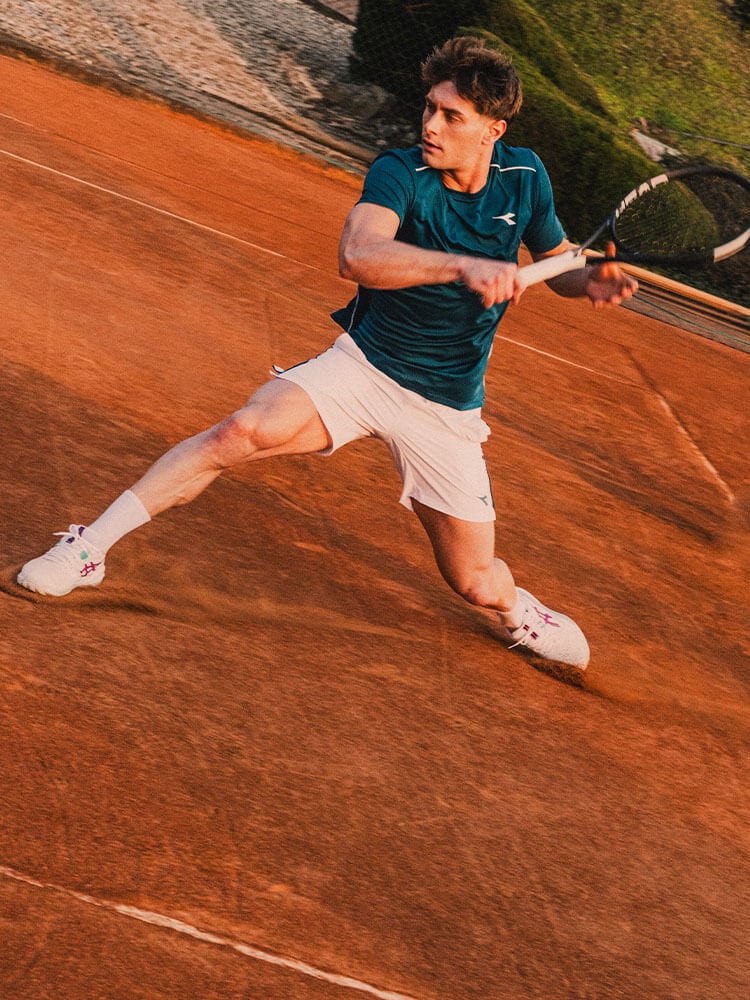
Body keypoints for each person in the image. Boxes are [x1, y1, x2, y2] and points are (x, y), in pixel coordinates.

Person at [17, 35, 637, 670]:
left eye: (452, 116)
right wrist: (460, 265)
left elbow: (557, 262)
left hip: (446, 407)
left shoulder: (525, 176)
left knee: (476, 582)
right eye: (429, 107)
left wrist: (590, 279)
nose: (430, 124)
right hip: (364, 368)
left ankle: (518, 612)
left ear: (492, 131)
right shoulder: (401, 173)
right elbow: (359, 256)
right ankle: (88, 549)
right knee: (240, 430)